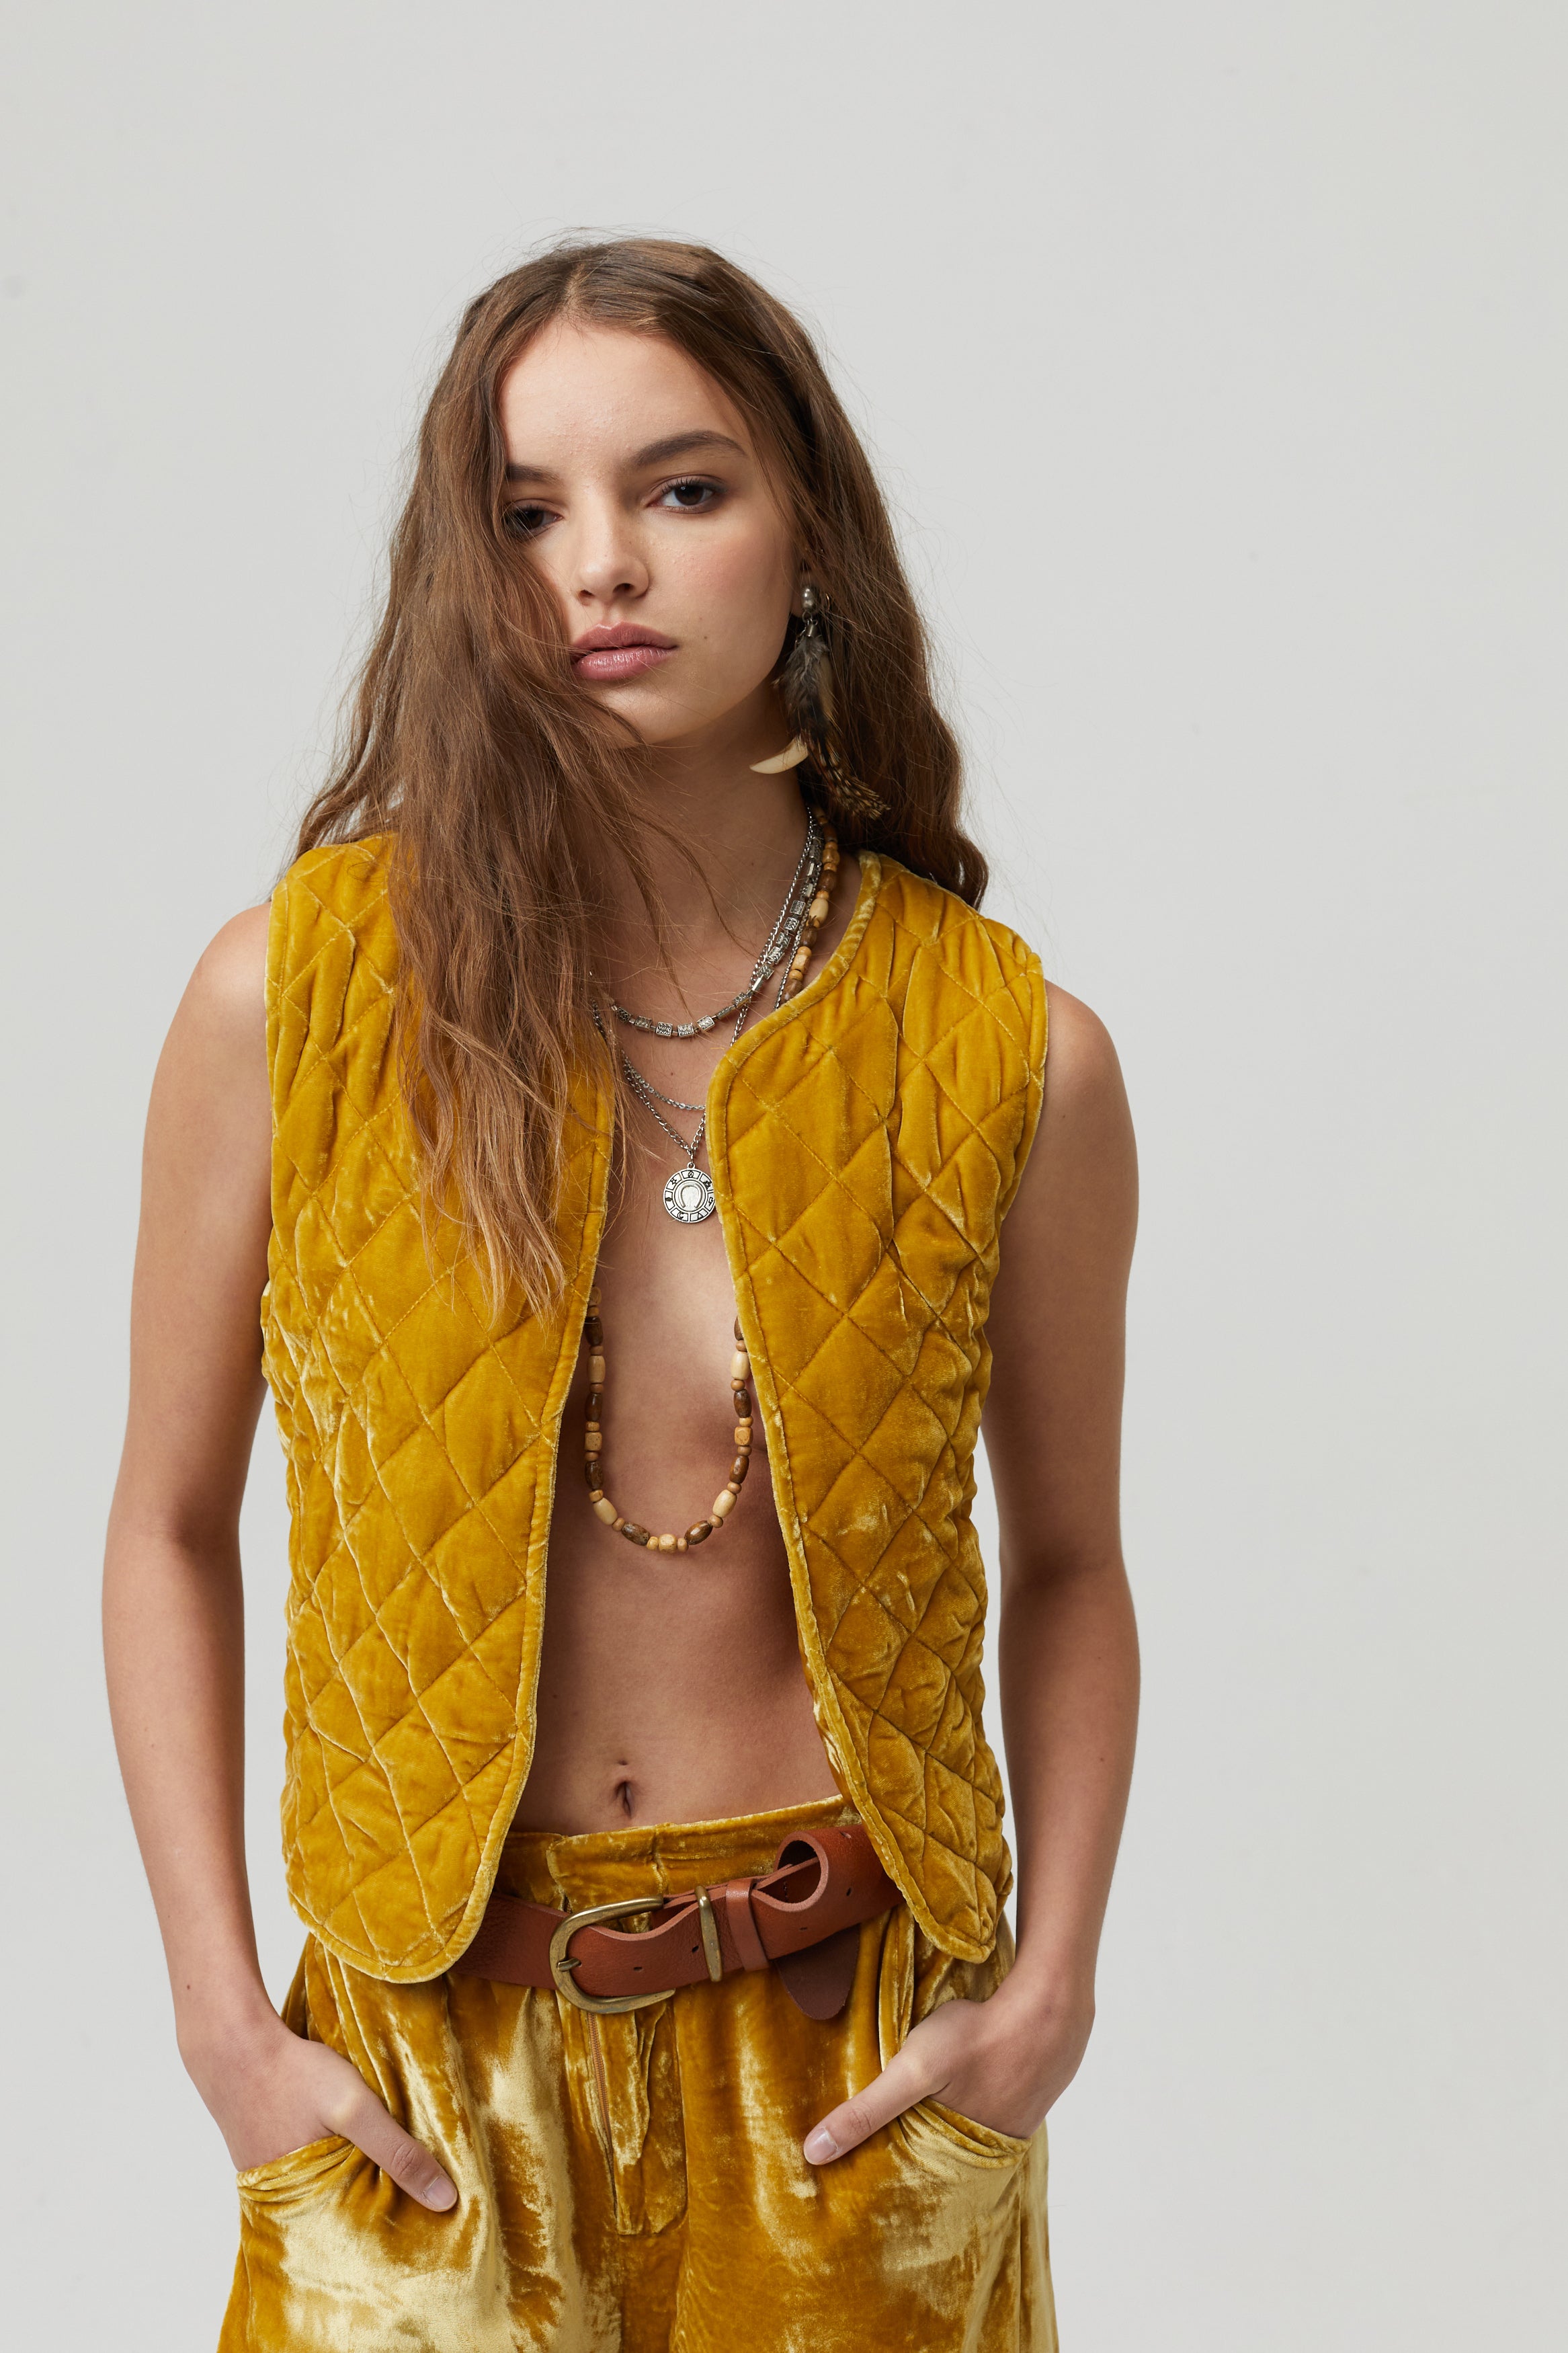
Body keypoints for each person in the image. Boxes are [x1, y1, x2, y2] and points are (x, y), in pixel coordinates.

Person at [104, 237, 1139, 2352]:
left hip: (851, 2064)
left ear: (808, 531)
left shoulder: (1007, 1047)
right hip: (418, 2074)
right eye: (527, 509)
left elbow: (1069, 1563)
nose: (602, 565)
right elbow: (165, 1521)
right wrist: (223, 2017)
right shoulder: (292, 997)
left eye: (682, 487)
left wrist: (1050, 1991)